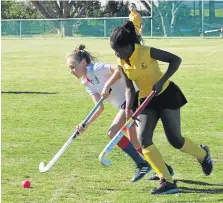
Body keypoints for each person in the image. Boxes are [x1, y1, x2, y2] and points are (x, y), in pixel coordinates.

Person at [110, 20, 213, 195]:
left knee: (175, 139)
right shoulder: (122, 61)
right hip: (145, 100)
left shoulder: (146, 52)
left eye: (117, 50)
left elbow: (175, 60)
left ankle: (203, 155)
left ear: (128, 46)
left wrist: (161, 81)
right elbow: (129, 88)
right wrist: (129, 109)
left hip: (166, 95)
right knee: (144, 140)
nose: (116, 53)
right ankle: (167, 181)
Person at [66, 44, 174, 183]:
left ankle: (142, 165)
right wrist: (85, 124)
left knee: (117, 134)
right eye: (70, 68)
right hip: (125, 105)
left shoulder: (96, 69)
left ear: (83, 62)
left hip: (134, 98)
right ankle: (165, 169)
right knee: (135, 142)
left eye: (73, 67)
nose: (72, 71)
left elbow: (120, 68)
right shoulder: (86, 82)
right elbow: (99, 108)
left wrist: (108, 84)